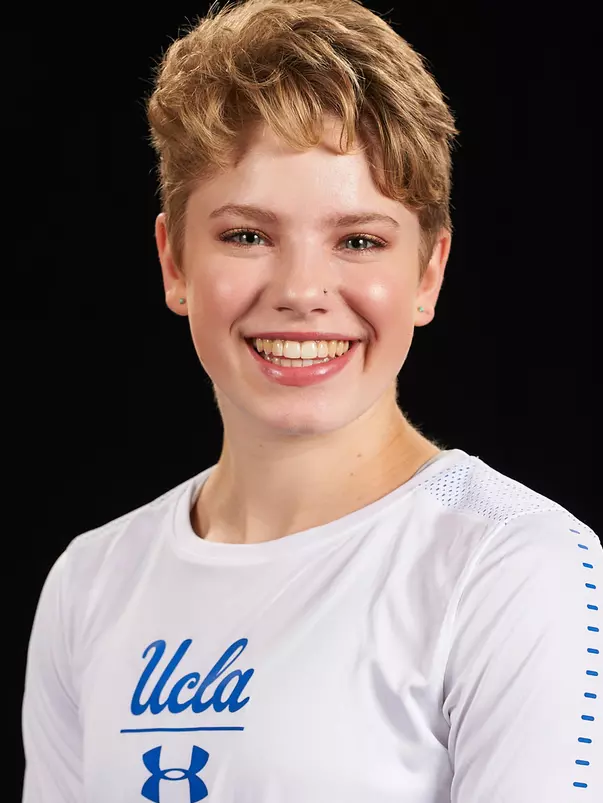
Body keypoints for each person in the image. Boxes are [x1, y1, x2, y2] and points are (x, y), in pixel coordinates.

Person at [22, 0, 602, 800]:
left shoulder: (510, 567)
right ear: (174, 262)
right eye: (247, 235)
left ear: (427, 272)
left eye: (357, 240)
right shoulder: (90, 583)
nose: (301, 292)